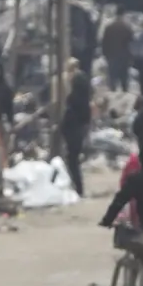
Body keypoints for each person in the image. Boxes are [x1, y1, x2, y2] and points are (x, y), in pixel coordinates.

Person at [61, 64, 93, 197]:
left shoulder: (74, 100)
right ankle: (77, 187)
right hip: (78, 132)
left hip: (73, 133)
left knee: (72, 160)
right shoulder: (85, 102)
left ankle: (77, 187)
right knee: (74, 160)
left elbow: (69, 118)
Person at [101, 9, 134, 93]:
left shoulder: (109, 27)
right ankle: (124, 101)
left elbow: (104, 42)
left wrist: (105, 55)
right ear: (123, 15)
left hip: (112, 56)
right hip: (124, 57)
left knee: (112, 81)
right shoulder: (127, 27)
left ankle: (112, 101)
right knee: (124, 82)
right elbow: (131, 43)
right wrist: (131, 57)